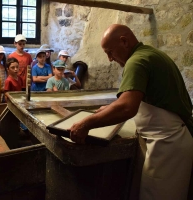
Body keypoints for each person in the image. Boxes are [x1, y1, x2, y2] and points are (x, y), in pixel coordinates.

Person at [69, 24, 193, 200]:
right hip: (169, 140)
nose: (110, 58)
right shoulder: (148, 54)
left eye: (110, 51)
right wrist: (111, 108)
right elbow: (140, 98)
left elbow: (128, 107)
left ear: (124, 41)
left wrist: (86, 123)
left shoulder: (136, 61)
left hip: (168, 145)